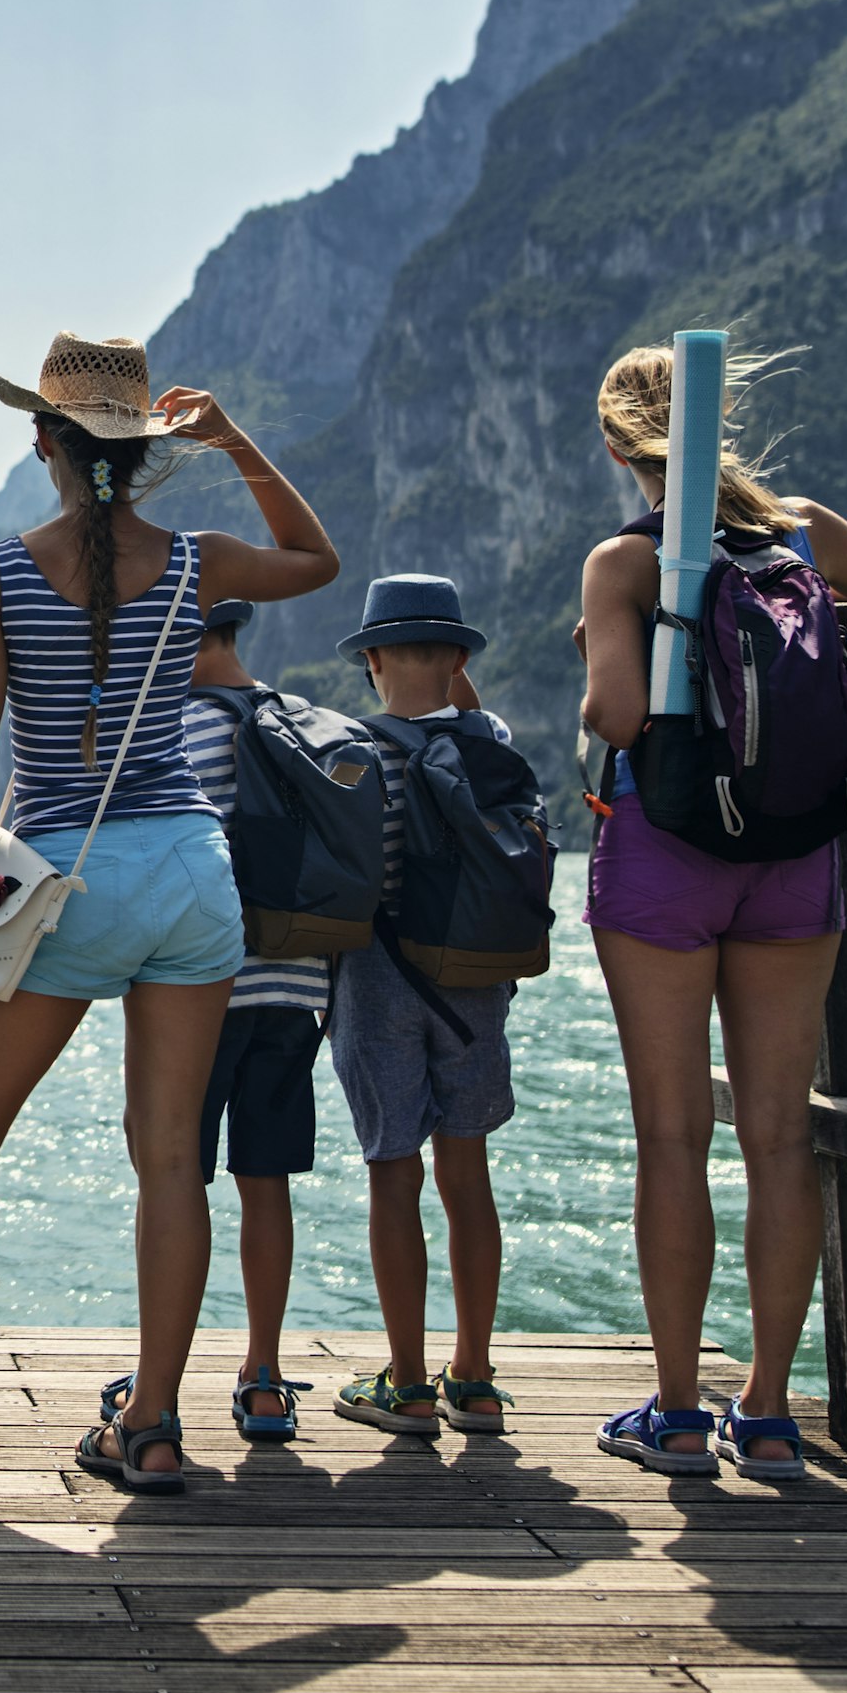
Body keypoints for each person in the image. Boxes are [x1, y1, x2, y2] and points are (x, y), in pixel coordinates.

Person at [0, 332, 340, 1496]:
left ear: (42, 442)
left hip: (62, 882)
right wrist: (236, 442)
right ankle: (151, 1427)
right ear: (146, 452)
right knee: (173, 1163)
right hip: (190, 878)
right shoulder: (200, 561)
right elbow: (314, 560)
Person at [575, 345, 847, 1478]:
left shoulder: (623, 560)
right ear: (723, 420)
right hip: (796, 856)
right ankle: (775, 1412)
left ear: (614, 445)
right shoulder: (804, 532)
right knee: (783, 1136)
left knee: (673, 1134)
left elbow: (618, 711)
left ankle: (682, 1413)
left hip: (665, 856)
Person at [319, 575, 520, 1441]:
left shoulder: (346, 753)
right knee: (466, 1175)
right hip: (476, 982)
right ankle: (472, 1379)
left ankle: (404, 1385)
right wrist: (458, 689)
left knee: (392, 1177)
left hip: (377, 981)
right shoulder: (491, 740)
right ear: (460, 658)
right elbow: (471, 714)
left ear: (369, 660)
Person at [170, 597, 334, 1443]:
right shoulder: (303, 720)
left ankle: (160, 1372)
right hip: (298, 990)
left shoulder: (174, 733)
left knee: (174, 1179)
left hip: (199, 993)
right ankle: (264, 1375)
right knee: (264, 1179)